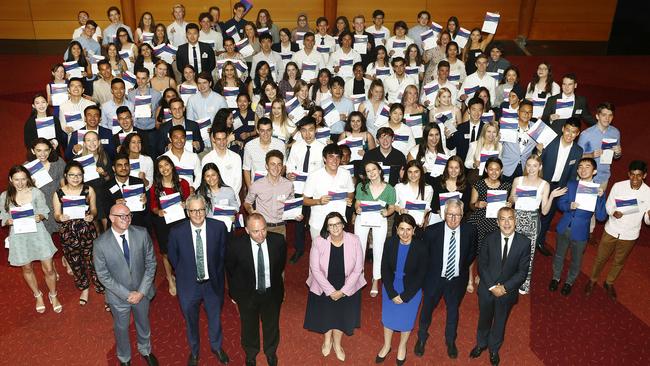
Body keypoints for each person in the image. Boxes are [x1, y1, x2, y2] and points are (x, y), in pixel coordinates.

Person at [167, 194, 230, 366]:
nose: (197, 214)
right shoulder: (176, 232)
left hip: (212, 284)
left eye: (201, 210)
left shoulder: (218, 227)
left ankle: (216, 347)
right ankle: (194, 352)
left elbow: (223, 254)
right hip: (188, 285)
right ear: (187, 212)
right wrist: (184, 273)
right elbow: (173, 257)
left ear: (206, 209)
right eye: (193, 211)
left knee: (215, 317)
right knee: (191, 321)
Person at [93, 203, 158, 366]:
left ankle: (145, 350)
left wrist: (141, 292)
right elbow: (103, 275)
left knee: (143, 323)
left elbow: (151, 264)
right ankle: (124, 357)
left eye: (128, 215)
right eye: (122, 216)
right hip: (118, 296)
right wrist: (126, 294)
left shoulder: (142, 234)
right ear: (111, 218)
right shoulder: (100, 243)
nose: (126, 219)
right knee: (121, 328)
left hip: (142, 292)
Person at [415, 198, 475, 359]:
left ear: (462, 215)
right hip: (434, 279)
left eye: (457, 215)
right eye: (450, 214)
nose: (453, 219)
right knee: (426, 309)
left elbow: (470, 255)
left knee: (453, 311)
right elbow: (424, 257)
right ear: (444, 214)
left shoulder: (470, 231)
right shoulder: (432, 232)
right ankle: (421, 337)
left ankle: (450, 341)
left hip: (456, 280)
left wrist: (459, 270)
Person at [470, 207, 531, 366]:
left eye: (510, 218)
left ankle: (494, 349)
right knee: (484, 318)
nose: (506, 223)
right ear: (497, 222)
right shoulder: (489, 238)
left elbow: (522, 272)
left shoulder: (525, 243)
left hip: (507, 292)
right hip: (487, 289)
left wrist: (504, 288)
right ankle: (481, 344)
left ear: (515, 221)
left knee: (500, 321)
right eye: (502, 219)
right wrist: (491, 286)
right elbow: (482, 264)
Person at [226, 213, 286, 366]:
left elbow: (280, 266)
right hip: (247, 294)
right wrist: (234, 294)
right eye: (255, 231)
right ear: (247, 230)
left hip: (271, 292)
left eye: (264, 229)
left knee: (271, 324)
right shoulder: (236, 245)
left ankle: (271, 352)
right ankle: (251, 353)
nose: (261, 235)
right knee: (249, 325)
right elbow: (231, 270)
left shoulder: (278, 241)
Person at [305, 212, 365, 361]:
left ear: (343, 224)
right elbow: (315, 269)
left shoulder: (354, 240)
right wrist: (330, 291)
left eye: (338, 223)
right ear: (327, 227)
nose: (335, 227)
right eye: (331, 225)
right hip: (324, 284)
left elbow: (358, 269)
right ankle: (327, 341)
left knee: (340, 316)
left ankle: (337, 344)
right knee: (327, 315)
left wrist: (343, 291)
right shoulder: (319, 241)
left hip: (347, 284)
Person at [586, 160, 650, 300]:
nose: (635, 179)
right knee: (600, 257)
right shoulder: (618, 186)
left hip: (631, 234)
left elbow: (647, 221)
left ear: (644, 176)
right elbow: (609, 206)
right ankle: (592, 280)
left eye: (639, 176)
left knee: (619, 261)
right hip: (612, 229)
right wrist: (613, 212)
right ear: (628, 174)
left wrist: (649, 216)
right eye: (632, 175)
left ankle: (609, 282)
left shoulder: (648, 193)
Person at [1, 165, 61, 314]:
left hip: (38, 234)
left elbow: (44, 211)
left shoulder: (36, 193)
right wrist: (8, 221)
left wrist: (39, 216)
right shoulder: (4, 196)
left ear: (28, 178)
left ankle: (53, 295)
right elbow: (3, 215)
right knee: (27, 268)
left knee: (48, 268)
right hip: (19, 237)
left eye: (23, 179)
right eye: (16, 180)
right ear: (10, 180)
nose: (20, 183)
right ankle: (37, 295)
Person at [509, 154, 566, 294]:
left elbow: (545, 211)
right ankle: (509, 279)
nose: (531, 168)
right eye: (528, 165)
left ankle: (524, 283)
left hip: (533, 219)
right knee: (511, 250)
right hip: (516, 217)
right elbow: (510, 201)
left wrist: (552, 196)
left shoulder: (544, 185)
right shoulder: (518, 180)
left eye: (535, 165)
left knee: (528, 253)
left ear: (540, 167)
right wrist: (512, 198)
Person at [376, 214, 428, 365]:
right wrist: (391, 292)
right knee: (388, 318)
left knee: (406, 319)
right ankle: (386, 345)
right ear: (397, 230)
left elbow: (421, 275)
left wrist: (405, 296)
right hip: (391, 286)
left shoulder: (421, 248)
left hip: (411, 289)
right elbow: (384, 268)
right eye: (402, 229)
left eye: (408, 230)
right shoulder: (390, 243)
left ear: (414, 230)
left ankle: (402, 346)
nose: (405, 233)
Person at [52, 161, 105, 308]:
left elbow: (94, 210)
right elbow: (56, 214)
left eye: (79, 175)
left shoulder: (89, 190)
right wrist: (60, 217)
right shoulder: (59, 193)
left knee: (94, 261)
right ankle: (84, 288)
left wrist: (91, 216)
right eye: (72, 175)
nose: (75, 178)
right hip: (68, 233)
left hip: (87, 230)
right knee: (76, 263)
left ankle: (101, 287)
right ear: (65, 176)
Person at [551, 158, 607, 296]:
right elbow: (560, 204)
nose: (583, 169)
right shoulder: (571, 184)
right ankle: (555, 278)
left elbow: (601, 217)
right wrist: (569, 206)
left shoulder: (597, 190)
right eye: (580, 167)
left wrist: (600, 197)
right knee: (559, 255)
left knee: (576, 260)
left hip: (581, 231)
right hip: (564, 226)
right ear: (577, 170)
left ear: (594, 171)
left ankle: (569, 282)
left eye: (587, 167)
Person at [537, 118, 583, 256]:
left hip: (559, 189)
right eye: (568, 130)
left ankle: (539, 240)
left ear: (578, 133)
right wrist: (539, 152)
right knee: (534, 211)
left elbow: (573, 173)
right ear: (563, 128)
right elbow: (538, 163)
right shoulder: (549, 142)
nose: (569, 135)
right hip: (542, 184)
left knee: (547, 216)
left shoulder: (578, 150)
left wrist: (566, 192)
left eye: (573, 132)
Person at [466, 157, 512, 290]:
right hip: (479, 221)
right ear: (486, 169)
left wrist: (509, 205)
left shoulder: (506, 187)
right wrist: (477, 204)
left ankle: (481, 274)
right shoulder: (479, 185)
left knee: (490, 253)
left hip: (496, 223)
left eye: (497, 169)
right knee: (473, 250)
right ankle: (469, 277)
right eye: (491, 169)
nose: (494, 172)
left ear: (501, 170)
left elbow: (507, 208)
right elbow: (471, 205)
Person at [149, 155, 191, 296]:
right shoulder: (155, 186)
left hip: (181, 221)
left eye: (166, 165)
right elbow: (153, 206)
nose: (164, 169)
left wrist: (186, 204)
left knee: (182, 250)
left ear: (172, 166)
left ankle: (182, 275)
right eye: (160, 167)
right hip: (163, 223)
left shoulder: (182, 183)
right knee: (166, 253)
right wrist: (158, 211)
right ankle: (169, 278)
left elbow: (188, 201)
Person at [354, 160, 396, 295]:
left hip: (380, 219)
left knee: (379, 249)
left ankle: (375, 279)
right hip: (363, 218)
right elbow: (357, 203)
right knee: (359, 247)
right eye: (368, 171)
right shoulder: (361, 186)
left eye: (374, 169)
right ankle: (359, 276)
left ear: (379, 171)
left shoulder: (389, 189)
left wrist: (387, 212)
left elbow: (392, 207)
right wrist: (357, 209)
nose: (371, 173)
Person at [285, 117, 324, 260]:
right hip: (299, 188)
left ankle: (319, 248)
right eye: (304, 131)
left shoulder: (321, 148)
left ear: (316, 130)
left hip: (315, 191)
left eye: (311, 130)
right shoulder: (296, 146)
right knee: (299, 219)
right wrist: (289, 173)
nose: (307, 134)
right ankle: (299, 249)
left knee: (315, 219)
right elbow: (290, 164)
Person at [303, 143, 355, 241]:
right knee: (319, 253)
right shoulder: (314, 176)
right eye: (331, 157)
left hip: (339, 222)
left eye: (337, 157)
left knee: (337, 253)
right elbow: (304, 200)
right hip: (319, 222)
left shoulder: (346, 174)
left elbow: (351, 192)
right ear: (324, 159)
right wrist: (318, 201)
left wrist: (350, 199)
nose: (335, 161)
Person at [245, 150, 297, 238]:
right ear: (266, 166)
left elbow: (292, 206)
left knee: (279, 252)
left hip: (281, 227)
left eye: (279, 164)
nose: (276, 167)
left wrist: (296, 214)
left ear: (282, 167)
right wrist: (251, 212)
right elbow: (247, 203)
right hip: (262, 227)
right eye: (272, 164)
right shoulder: (257, 185)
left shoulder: (289, 185)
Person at [101, 153, 148, 227]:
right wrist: (114, 204)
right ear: (114, 168)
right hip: (116, 226)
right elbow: (105, 210)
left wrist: (145, 203)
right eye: (119, 165)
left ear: (130, 166)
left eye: (126, 165)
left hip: (136, 225)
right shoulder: (107, 186)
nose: (124, 168)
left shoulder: (138, 182)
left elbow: (146, 211)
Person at [201, 123, 243, 202]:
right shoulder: (207, 159)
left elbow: (238, 182)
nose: (222, 142)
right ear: (214, 139)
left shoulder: (236, 157)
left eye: (224, 139)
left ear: (227, 138)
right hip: (213, 200)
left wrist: (228, 196)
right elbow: (206, 182)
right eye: (218, 139)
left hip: (232, 200)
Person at [500, 100, 538, 181]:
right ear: (518, 112)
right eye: (524, 111)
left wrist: (540, 149)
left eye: (530, 112)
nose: (526, 114)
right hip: (507, 166)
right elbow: (499, 144)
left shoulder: (536, 128)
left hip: (525, 168)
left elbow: (543, 145)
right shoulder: (508, 124)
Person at [242, 118, 286, 189]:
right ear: (257, 131)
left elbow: (283, 166)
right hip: (257, 187)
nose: (265, 134)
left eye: (268, 130)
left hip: (276, 186)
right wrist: (250, 189)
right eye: (262, 131)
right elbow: (246, 169)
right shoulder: (249, 146)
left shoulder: (280, 144)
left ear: (272, 130)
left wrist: (277, 179)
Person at [394, 160, 434, 227]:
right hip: (401, 223)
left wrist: (422, 218)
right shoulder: (399, 187)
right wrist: (401, 210)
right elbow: (393, 205)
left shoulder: (428, 189)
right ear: (406, 173)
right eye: (410, 172)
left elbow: (427, 206)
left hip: (418, 224)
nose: (413, 175)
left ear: (421, 172)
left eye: (416, 172)